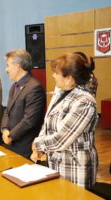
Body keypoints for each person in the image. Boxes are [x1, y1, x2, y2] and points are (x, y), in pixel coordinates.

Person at [31, 53, 98, 189]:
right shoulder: (61, 91)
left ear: (69, 79)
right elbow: (48, 121)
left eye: (56, 73)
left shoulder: (84, 101)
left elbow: (60, 140)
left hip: (75, 169)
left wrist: (38, 144)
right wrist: (41, 141)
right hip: (56, 162)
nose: (53, 75)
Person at [0, 49, 46, 159]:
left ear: (18, 66)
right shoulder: (14, 86)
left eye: (8, 65)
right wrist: (5, 129)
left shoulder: (34, 87)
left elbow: (29, 120)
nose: (6, 70)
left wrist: (11, 136)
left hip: (25, 146)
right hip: (11, 143)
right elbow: (7, 111)